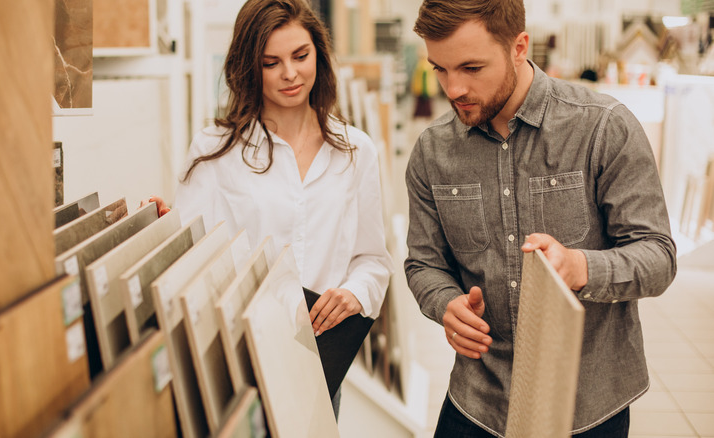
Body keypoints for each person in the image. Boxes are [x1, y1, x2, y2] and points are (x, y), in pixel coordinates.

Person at [404, 1, 677, 437]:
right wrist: (445, 304)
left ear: (519, 46)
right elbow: (424, 263)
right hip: (479, 401)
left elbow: (659, 258)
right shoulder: (432, 152)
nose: (453, 88)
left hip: (586, 404)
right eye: (440, 68)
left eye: (471, 68)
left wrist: (580, 267)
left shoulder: (604, 128)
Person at [150, 0, 392, 418]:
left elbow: (373, 259)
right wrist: (162, 235)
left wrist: (354, 294)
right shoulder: (214, 152)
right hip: (240, 358)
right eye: (271, 62)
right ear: (249, 67)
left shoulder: (356, 151)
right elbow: (192, 260)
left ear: (319, 52)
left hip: (319, 362)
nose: (290, 74)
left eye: (301, 56)